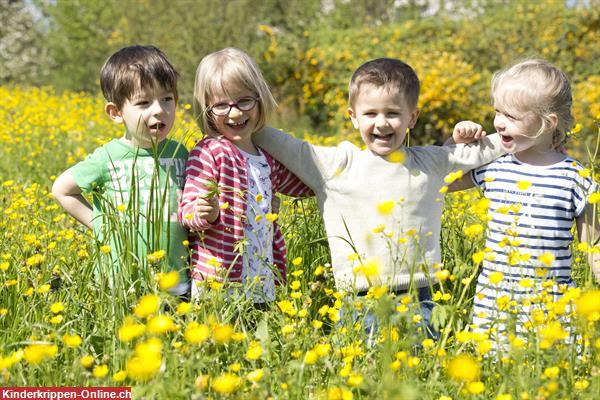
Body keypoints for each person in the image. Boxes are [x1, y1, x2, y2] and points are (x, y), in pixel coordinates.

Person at [253, 57, 505, 335]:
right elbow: (286, 145)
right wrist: (239, 119)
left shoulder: (429, 162)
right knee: (366, 370)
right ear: (353, 116)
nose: (382, 123)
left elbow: (489, 149)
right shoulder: (336, 165)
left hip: (421, 294)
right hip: (360, 300)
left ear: (412, 117)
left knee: (419, 371)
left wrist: (523, 129)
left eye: (393, 113)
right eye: (370, 113)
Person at [450, 59, 599, 344]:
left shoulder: (574, 177)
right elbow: (445, 181)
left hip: (554, 310)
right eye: (497, 111)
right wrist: (457, 146)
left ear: (548, 123)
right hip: (494, 306)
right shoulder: (494, 165)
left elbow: (592, 244)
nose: (499, 123)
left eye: (512, 116)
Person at [52, 45, 190, 296]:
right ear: (115, 113)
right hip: (122, 281)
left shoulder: (181, 153)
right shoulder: (107, 158)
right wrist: (102, 225)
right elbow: (62, 189)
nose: (159, 109)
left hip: (176, 278)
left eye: (167, 99)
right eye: (144, 102)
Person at [179, 47, 312, 303]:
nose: (236, 113)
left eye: (244, 101)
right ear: (207, 109)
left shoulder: (267, 157)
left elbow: (304, 184)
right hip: (219, 282)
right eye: (221, 105)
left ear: (259, 99)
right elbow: (187, 210)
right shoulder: (209, 151)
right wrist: (206, 212)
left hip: (261, 279)